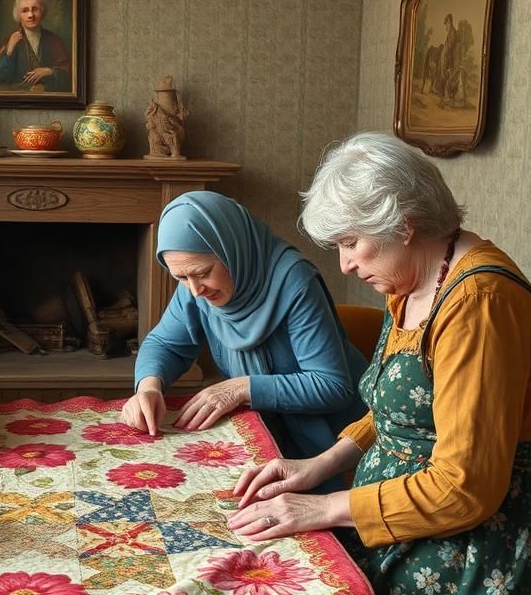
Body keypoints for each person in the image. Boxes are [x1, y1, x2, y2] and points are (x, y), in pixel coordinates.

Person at [230, 132, 531, 595]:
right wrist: (322, 462)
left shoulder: (479, 305)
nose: (347, 265)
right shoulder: (417, 279)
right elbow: (399, 407)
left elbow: (467, 488)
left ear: (402, 224)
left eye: (352, 243)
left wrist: (324, 507)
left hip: (474, 557)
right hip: (403, 523)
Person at [121, 190, 367, 481]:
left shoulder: (295, 281)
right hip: (262, 429)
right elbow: (165, 343)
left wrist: (240, 389)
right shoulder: (197, 287)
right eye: (181, 277)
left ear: (231, 249)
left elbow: (332, 386)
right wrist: (149, 387)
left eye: (203, 272)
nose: (195, 290)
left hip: (333, 445)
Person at [0, 0, 71, 92]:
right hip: (18, 97)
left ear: (42, 11)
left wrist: (49, 71)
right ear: (18, 15)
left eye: (35, 9)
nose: (31, 15)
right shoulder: (11, 40)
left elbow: (68, 76)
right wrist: (9, 51)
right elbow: (0, 78)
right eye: (25, 10)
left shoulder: (54, 40)